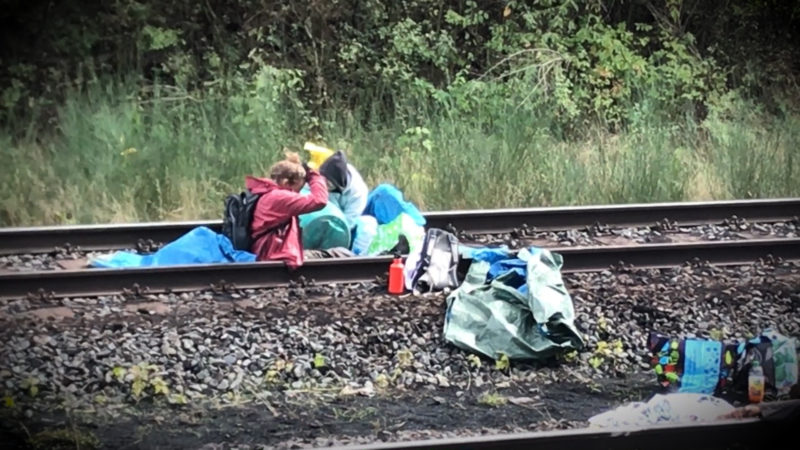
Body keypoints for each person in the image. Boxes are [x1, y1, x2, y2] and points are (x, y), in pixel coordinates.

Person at [245, 151, 328, 268]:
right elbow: (319, 201)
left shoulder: (268, 193)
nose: (298, 192)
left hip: (270, 251)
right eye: (299, 186)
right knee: (339, 254)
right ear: (285, 182)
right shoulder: (280, 197)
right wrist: (314, 176)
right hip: (274, 255)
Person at [318, 150, 369, 231]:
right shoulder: (325, 173)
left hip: (341, 222)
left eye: (327, 184)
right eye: (322, 180)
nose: (323, 185)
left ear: (339, 184)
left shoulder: (358, 195)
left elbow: (347, 224)